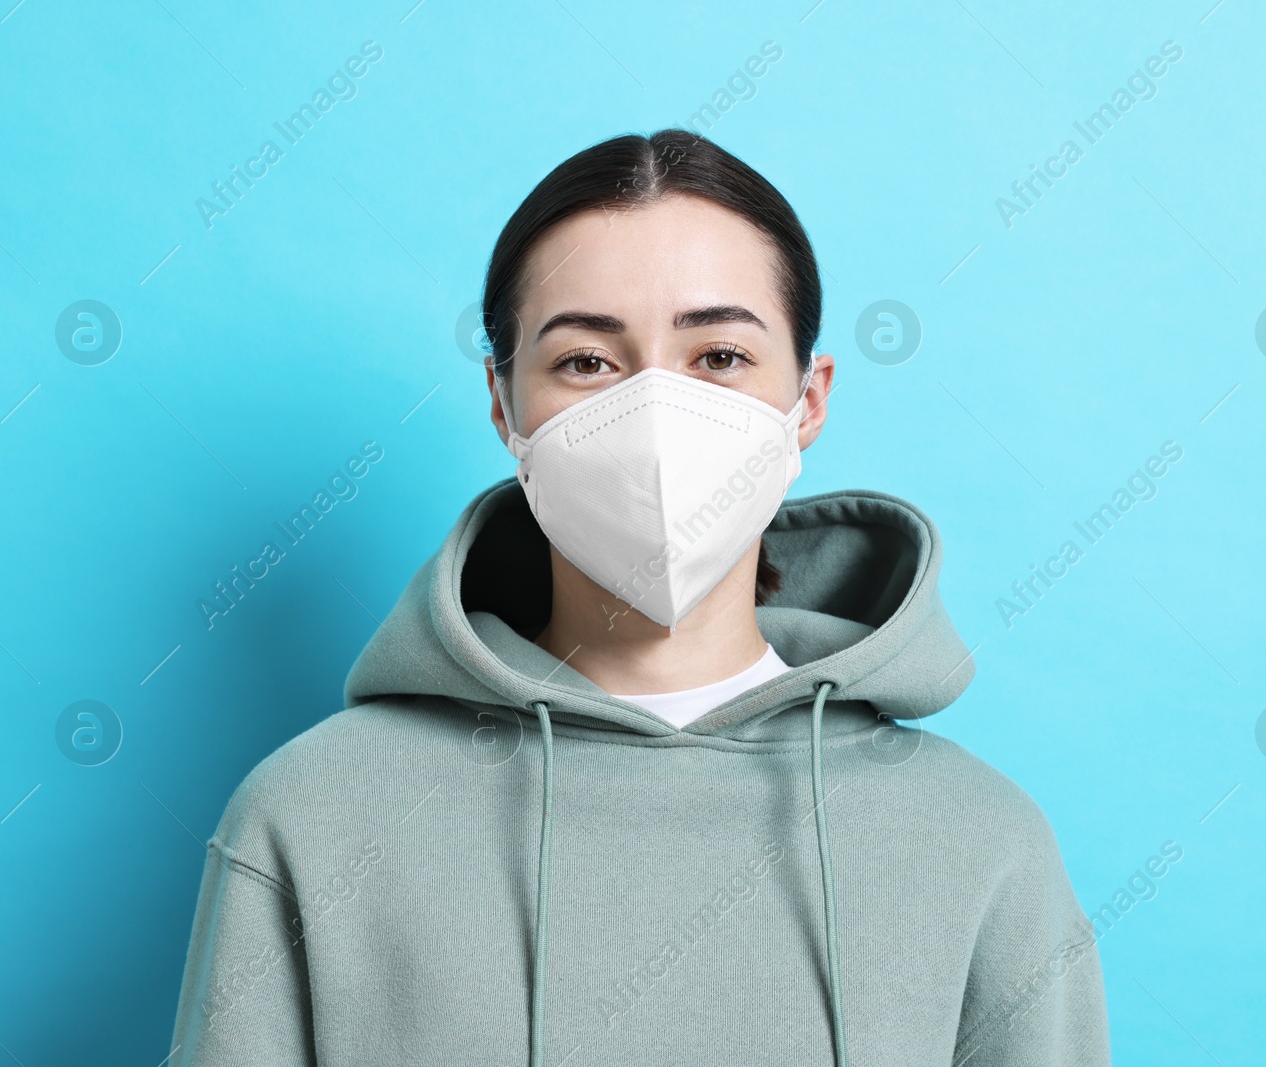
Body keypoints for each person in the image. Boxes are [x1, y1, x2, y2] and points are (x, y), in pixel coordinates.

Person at [169, 128, 1110, 1066]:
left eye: (719, 358)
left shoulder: (980, 841)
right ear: (504, 404)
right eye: (587, 361)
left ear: (809, 401)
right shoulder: (312, 817)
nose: (658, 415)